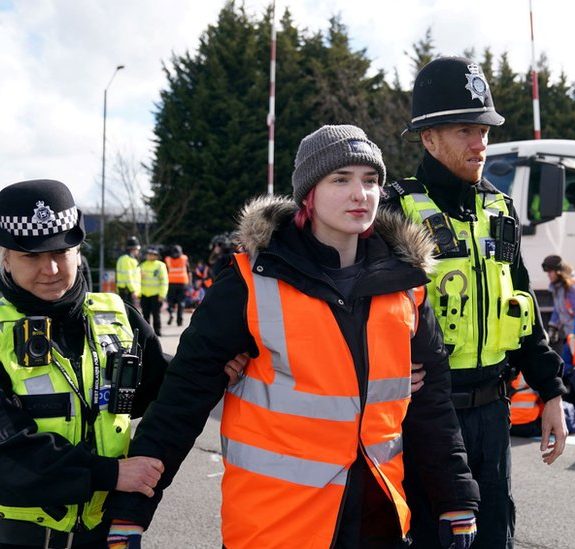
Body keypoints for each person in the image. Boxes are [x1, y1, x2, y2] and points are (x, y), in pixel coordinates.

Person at [108, 125, 480, 549]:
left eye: (370, 180)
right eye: (341, 179)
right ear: (308, 193)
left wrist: (456, 498)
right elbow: (181, 399)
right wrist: (130, 512)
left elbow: (432, 403)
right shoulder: (252, 280)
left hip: (377, 519)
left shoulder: (406, 284)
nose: (361, 194)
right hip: (276, 525)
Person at [382, 56, 567, 548]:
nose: (480, 142)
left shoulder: (500, 209)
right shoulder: (393, 211)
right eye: (465, 129)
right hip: (423, 417)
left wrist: (551, 392)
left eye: (484, 129)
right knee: (429, 537)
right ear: (428, 138)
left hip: (492, 414)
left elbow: (521, 305)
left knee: (493, 537)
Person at [0, 179, 168, 548]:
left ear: (79, 249)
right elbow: (8, 458)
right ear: (5, 257)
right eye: (32, 255)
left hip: (108, 534)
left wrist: (221, 360)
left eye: (63, 251)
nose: (52, 268)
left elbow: (168, 388)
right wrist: (109, 474)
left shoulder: (119, 316)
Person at [139, 247, 168, 337]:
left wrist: (162, 294)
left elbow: (164, 281)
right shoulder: (142, 265)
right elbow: (137, 280)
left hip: (156, 294)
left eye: (152, 254)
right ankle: (146, 333)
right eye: (149, 254)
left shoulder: (160, 265)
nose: (150, 256)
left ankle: (157, 332)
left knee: (156, 315)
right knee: (145, 315)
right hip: (144, 294)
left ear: (156, 256)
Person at [164, 244, 189, 327]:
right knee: (181, 302)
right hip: (183, 282)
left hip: (171, 282)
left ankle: (171, 313)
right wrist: (190, 282)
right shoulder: (184, 258)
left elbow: (166, 271)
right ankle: (179, 320)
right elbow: (188, 271)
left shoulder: (168, 259)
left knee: (170, 301)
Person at [115, 236, 141, 309]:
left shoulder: (123, 258)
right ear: (133, 249)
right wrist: (133, 290)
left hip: (124, 290)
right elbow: (128, 277)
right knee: (130, 313)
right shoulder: (128, 260)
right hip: (128, 291)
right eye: (137, 249)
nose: (138, 252)